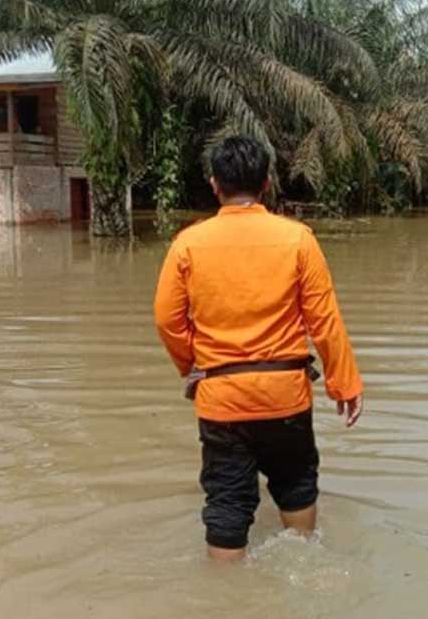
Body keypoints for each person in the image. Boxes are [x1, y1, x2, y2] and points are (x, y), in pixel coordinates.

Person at [153, 136, 363, 561]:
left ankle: (223, 592)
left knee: (227, 504)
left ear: (215, 184)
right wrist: (344, 383)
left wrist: (193, 365)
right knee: (296, 486)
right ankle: (304, 570)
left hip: (222, 402)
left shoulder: (188, 245)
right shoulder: (298, 240)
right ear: (267, 183)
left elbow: (167, 319)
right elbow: (324, 320)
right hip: (286, 397)